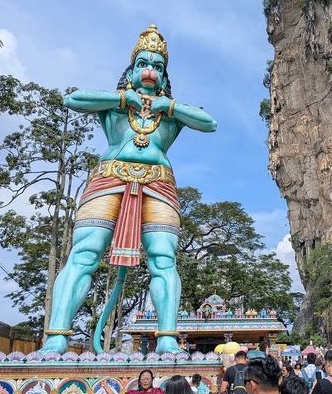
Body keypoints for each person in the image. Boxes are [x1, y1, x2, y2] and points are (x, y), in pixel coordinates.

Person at [40, 25, 217, 354]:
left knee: (163, 259)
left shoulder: (169, 112)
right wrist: (123, 98)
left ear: (164, 78)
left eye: (158, 66)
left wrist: (168, 107)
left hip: (159, 183)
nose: (150, 70)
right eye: (142, 64)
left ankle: (167, 338)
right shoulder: (115, 105)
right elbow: (72, 99)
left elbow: (209, 123)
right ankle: (56, 337)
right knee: (85, 253)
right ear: (131, 71)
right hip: (110, 177)